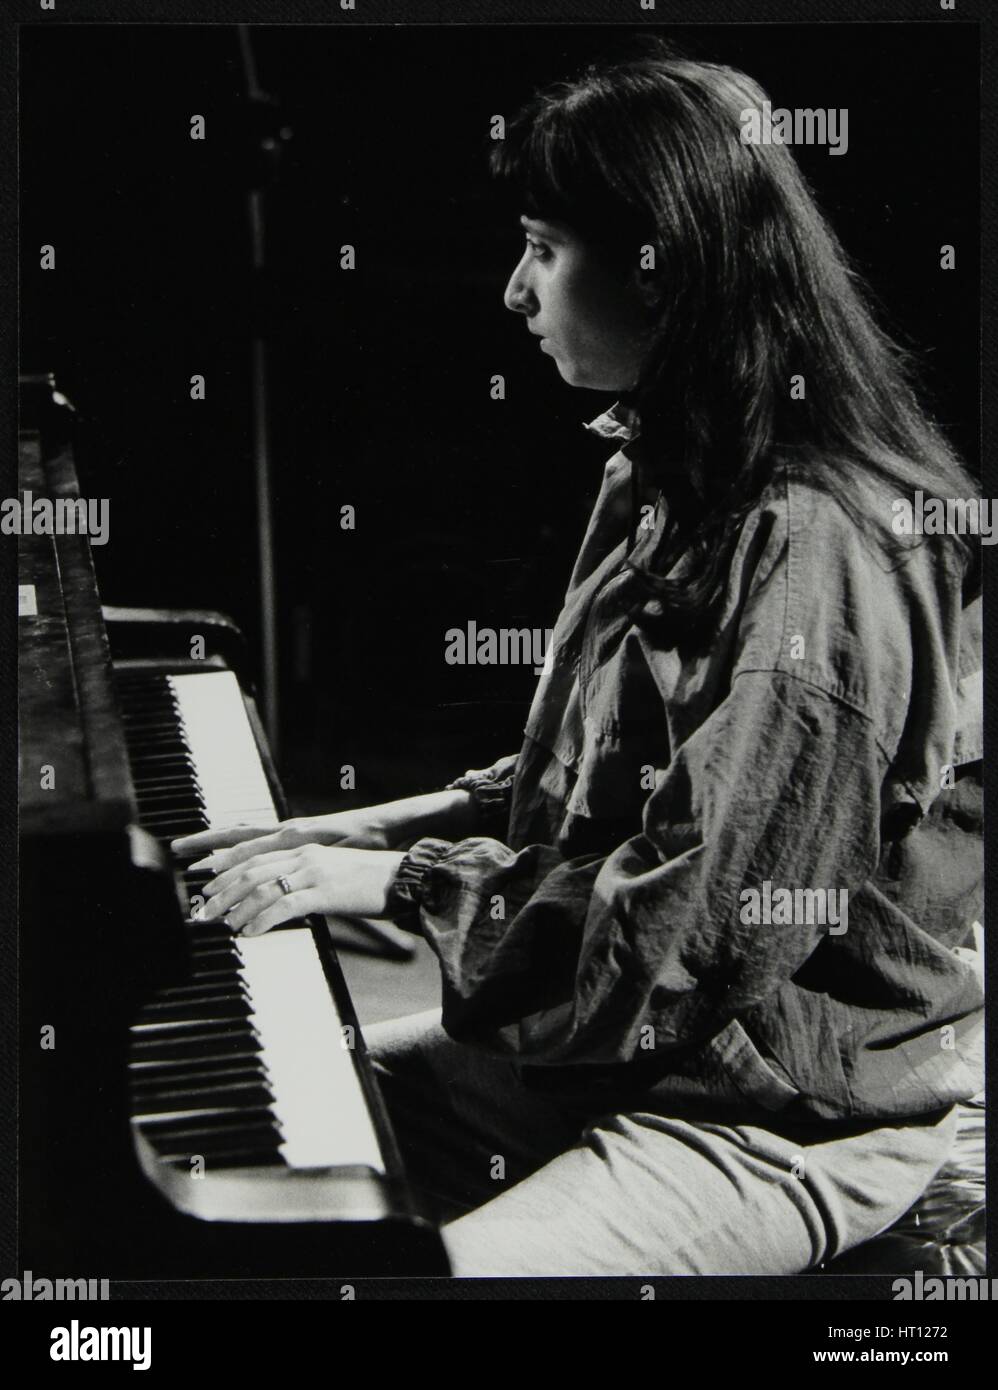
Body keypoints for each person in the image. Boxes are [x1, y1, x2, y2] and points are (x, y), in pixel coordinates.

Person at [174, 44, 984, 1277]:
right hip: (628, 1051)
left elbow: (686, 933)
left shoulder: (818, 557)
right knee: (229, 1164)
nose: (512, 291)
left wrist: (408, 889)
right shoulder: (666, 469)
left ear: (665, 272)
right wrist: (363, 836)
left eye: (543, 248)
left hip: (770, 1111)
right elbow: (600, 780)